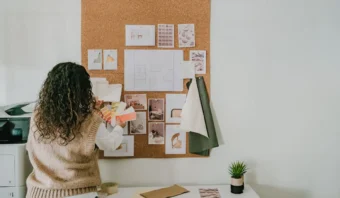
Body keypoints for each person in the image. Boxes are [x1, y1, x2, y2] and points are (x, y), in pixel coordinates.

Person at [25, 62, 125, 198]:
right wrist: (119, 126)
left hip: (39, 193)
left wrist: (91, 111)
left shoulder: (37, 116)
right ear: (83, 91)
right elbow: (111, 143)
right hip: (78, 193)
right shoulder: (89, 120)